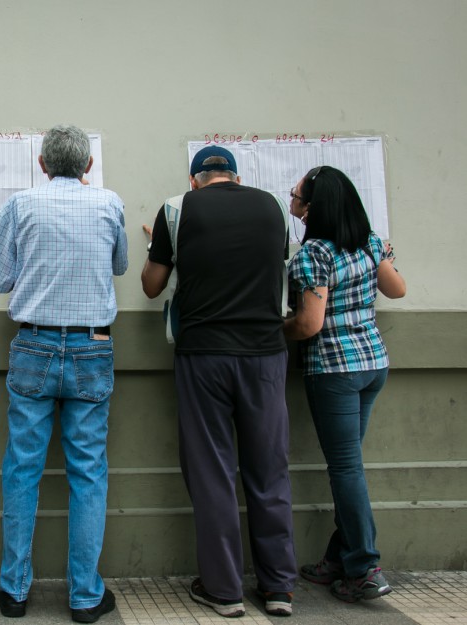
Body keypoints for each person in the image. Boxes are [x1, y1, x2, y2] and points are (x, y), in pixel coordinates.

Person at [141, 146, 297, 618]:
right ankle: (278, 588)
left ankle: (224, 589)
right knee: (269, 469)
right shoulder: (272, 207)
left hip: (204, 354)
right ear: (235, 177)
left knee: (212, 471)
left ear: (194, 180)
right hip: (266, 354)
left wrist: (162, 246)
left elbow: (152, 285)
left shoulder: (176, 209)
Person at [0, 124, 127, 623]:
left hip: (34, 342)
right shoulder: (110, 203)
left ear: (42, 164)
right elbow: (120, 265)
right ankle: (86, 597)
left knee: (23, 466)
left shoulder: (19, 205)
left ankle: (14, 591)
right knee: (88, 472)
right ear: (87, 166)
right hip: (92, 345)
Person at [284, 166, 406, 603]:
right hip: (374, 364)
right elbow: (397, 290)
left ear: (313, 208)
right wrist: (384, 257)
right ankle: (338, 559)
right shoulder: (371, 243)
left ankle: (364, 568)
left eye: (296, 195)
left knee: (346, 470)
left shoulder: (314, 253)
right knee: (350, 466)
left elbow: (309, 325)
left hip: (335, 370)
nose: (292, 202)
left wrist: (278, 329)